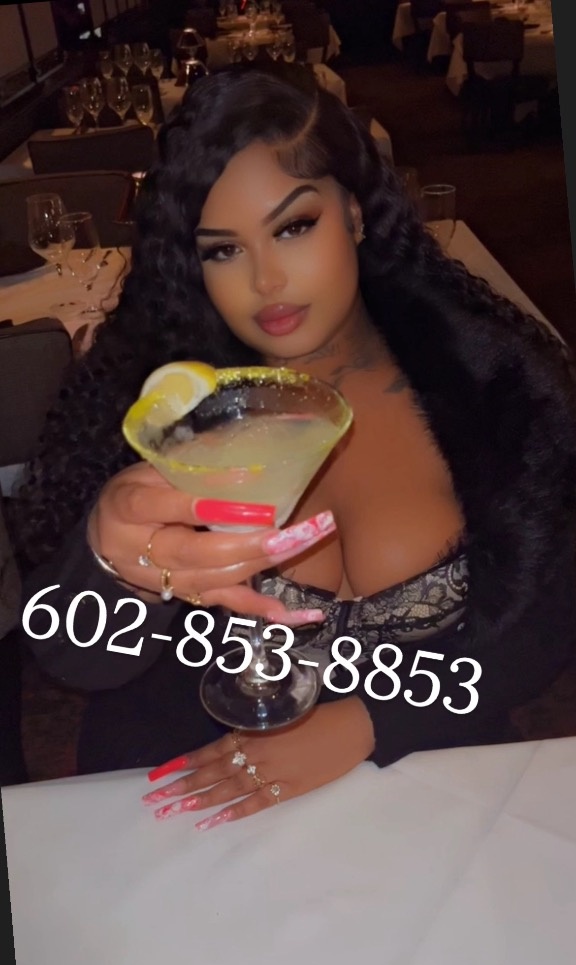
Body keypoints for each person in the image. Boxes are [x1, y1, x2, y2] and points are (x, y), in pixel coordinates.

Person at [11, 66, 576, 831]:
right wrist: (110, 565)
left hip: (425, 786)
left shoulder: (491, 382)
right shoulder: (161, 405)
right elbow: (72, 656)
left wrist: (371, 722)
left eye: (293, 226)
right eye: (223, 250)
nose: (266, 279)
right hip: (201, 802)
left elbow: (544, 625)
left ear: (355, 212)